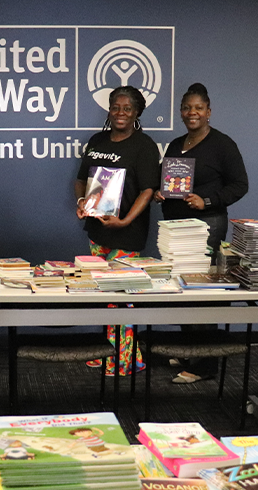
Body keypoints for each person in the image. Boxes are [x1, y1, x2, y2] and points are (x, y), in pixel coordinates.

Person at [154, 82, 249, 384]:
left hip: (208, 225)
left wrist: (206, 200)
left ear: (209, 111)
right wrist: (161, 193)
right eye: (186, 108)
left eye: (198, 108)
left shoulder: (223, 145)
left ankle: (206, 364)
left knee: (204, 291)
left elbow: (239, 185)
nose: (192, 112)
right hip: (176, 229)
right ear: (181, 112)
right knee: (181, 289)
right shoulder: (175, 145)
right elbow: (169, 182)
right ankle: (190, 350)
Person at [75, 85, 160, 376]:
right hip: (98, 230)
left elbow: (148, 190)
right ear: (109, 109)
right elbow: (81, 178)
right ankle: (116, 352)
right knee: (104, 295)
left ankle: (125, 359)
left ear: (137, 112)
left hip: (127, 232)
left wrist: (125, 221)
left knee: (122, 296)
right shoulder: (97, 140)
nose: (120, 113)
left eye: (127, 108)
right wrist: (81, 202)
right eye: (115, 107)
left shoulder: (144, 145)